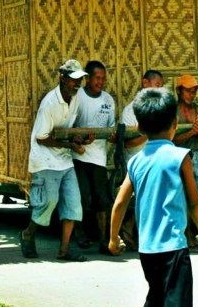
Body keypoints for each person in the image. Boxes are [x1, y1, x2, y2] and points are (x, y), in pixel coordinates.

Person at [109, 87, 198, 307]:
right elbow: (194, 201)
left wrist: (112, 238)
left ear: (139, 128)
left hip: (147, 249)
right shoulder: (179, 156)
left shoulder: (136, 161)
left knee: (157, 296)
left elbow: (120, 203)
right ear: (175, 123)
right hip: (173, 247)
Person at [20, 59, 93, 262]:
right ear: (62, 78)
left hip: (64, 159)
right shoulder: (49, 104)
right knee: (48, 202)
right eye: (73, 80)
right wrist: (70, 145)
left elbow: (66, 129)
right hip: (45, 160)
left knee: (73, 205)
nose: (77, 84)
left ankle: (64, 249)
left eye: (80, 80)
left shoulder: (76, 98)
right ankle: (27, 234)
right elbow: (42, 137)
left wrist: (79, 138)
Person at [71, 60, 117, 254]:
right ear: (88, 79)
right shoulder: (78, 97)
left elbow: (111, 127)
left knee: (102, 200)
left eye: (103, 78)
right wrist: (78, 139)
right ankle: (79, 233)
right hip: (79, 155)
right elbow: (69, 125)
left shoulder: (108, 100)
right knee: (82, 197)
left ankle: (103, 238)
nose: (101, 82)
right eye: (97, 78)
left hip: (98, 157)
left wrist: (113, 136)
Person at [119, 69, 165, 250]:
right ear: (145, 83)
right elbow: (128, 144)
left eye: (161, 87)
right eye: (157, 85)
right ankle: (129, 227)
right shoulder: (131, 111)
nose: (160, 90)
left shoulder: (160, 111)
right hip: (137, 162)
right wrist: (148, 133)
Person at [171, 74, 198, 250]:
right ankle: (186, 233)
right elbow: (170, 139)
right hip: (177, 157)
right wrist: (192, 132)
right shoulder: (172, 111)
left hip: (194, 155)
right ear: (179, 91)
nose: (192, 94)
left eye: (194, 90)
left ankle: (190, 227)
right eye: (188, 90)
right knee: (185, 196)